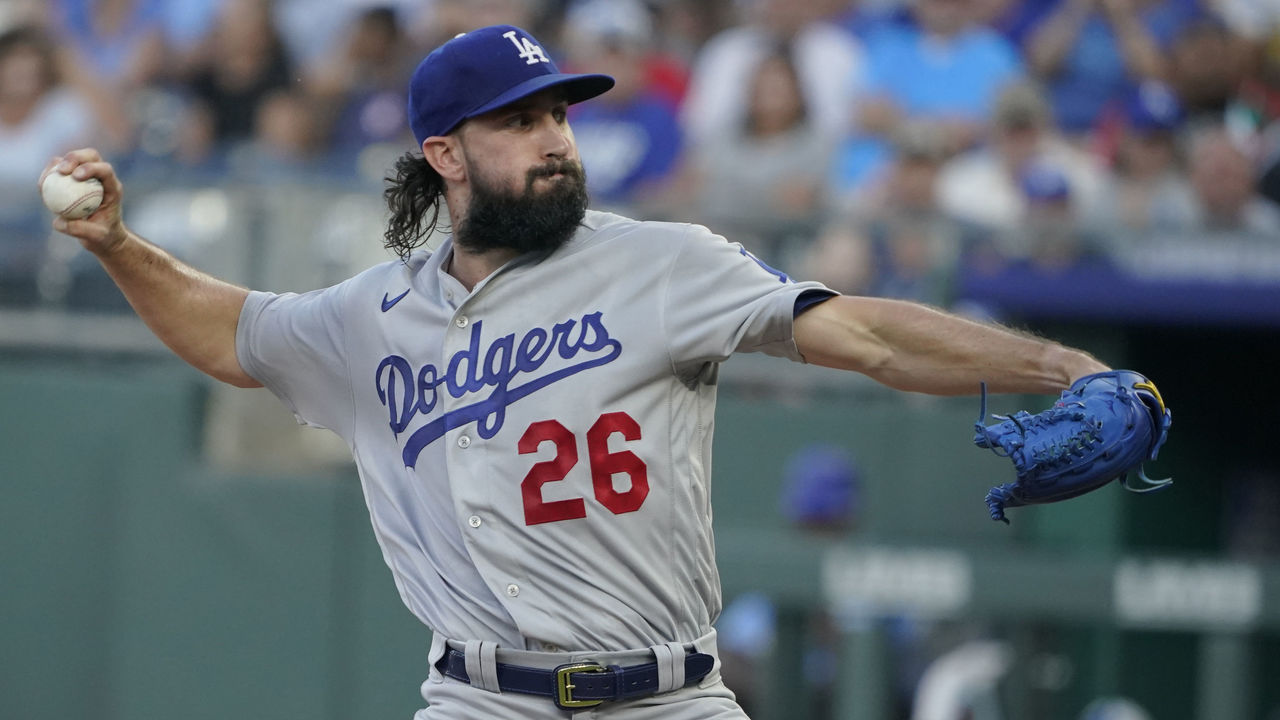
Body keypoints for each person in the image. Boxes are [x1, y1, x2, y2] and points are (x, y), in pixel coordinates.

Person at [40, 24, 1115, 719]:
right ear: (445, 156)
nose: (555, 138)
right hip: (479, 700)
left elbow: (867, 338)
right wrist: (121, 249)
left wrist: (1056, 365)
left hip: (669, 698)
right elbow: (229, 332)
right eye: (519, 120)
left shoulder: (662, 260)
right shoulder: (369, 316)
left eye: (559, 112)